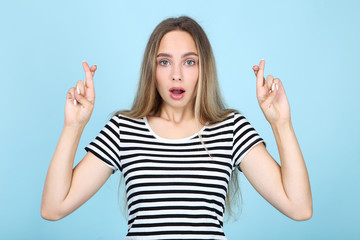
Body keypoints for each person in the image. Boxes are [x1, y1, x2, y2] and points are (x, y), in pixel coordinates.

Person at [41, 16, 312, 239]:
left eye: (189, 61)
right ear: (152, 69)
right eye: (165, 61)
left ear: (203, 69)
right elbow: (53, 207)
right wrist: (73, 126)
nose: (177, 74)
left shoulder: (231, 129)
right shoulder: (123, 130)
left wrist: (281, 123)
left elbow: (299, 207)